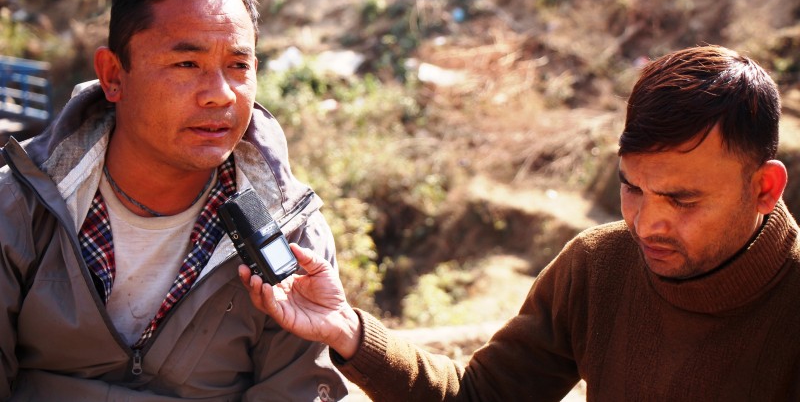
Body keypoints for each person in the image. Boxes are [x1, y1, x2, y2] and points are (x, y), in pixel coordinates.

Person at [241, 45, 800, 401]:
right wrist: (351, 332)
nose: (646, 222)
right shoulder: (597, 267)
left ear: (764, 190)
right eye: (631, 188)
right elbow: (481, 396)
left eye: (682, 201)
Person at [0, 0, 348, 401]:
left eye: (239, 66)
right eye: (187, 65)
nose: (220, 94)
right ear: (113, 76)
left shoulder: (290, 237)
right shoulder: (18, 209)